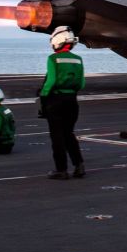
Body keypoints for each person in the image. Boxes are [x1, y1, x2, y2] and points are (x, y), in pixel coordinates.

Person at [40, 26, 85, 179]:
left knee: (57, 136)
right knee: (69, 134)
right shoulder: (78, 59)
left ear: (57, 40)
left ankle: (61, 170)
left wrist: (43, 96)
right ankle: (79, 165)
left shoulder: (53, 59)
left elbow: (50, 82)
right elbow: (81, 84)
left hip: (56, 101)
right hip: (72, 101)